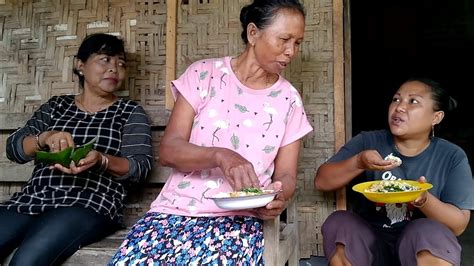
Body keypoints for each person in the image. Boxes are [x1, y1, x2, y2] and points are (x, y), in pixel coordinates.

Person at [109, 0, 313, 264]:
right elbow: (169, 149)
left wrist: (278, 197)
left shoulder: (289, 100)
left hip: (238, 221)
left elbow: (286, 174)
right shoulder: (203, 75)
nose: (291, 51)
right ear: (253, 33)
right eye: (284, 39)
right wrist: (220, 155)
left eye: (297, 43)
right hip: (174, 212)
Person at [0, 33, 153, 265]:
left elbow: (140, 167)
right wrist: (45, 138)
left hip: (88, 204)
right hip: (32, 200)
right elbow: (14, 148)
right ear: (80, 66)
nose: (114, 68)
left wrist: (101, 160)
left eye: (121, 63)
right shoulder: (56, 106)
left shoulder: (129, 112)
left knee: (26, 260)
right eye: (105, 59)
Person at [314, 78, 474, 266]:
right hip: (370, 247)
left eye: (413, 101)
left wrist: (424, 199)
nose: (399, 107)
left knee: (429, 232)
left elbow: (458, 225)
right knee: (339, 223)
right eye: (396, 99)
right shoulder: (369, 141)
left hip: (416, 250)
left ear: (436, 117)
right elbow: (322, 181)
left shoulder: (451, 156)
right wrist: (358, 162)